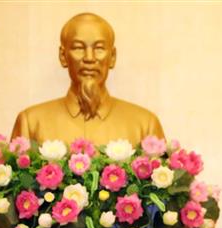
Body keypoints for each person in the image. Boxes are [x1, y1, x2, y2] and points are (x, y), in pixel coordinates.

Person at [11, 12, 164, 145]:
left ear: (112, 57)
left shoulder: (145, 125)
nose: (89, 58)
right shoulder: (31, 123)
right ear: (63, 56)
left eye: (99, 48)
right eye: (78, 48)